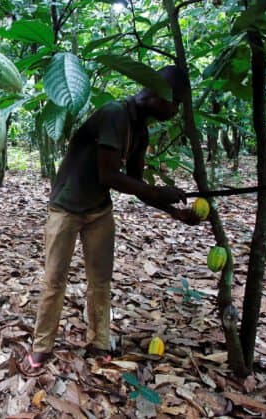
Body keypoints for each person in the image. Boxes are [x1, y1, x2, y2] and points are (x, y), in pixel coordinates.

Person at [24, 65, 200, 371]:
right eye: (178, 103)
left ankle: (99, 342)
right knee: (54, 280)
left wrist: (174, 212)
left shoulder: (140, 130)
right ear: (161, 94)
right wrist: (160, 192)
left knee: (100, 281)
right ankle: (42, 346)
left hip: (99, 211)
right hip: (66, 207)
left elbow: (135, 183)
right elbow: (109, 175)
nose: (176, 111)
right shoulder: (114, 113)